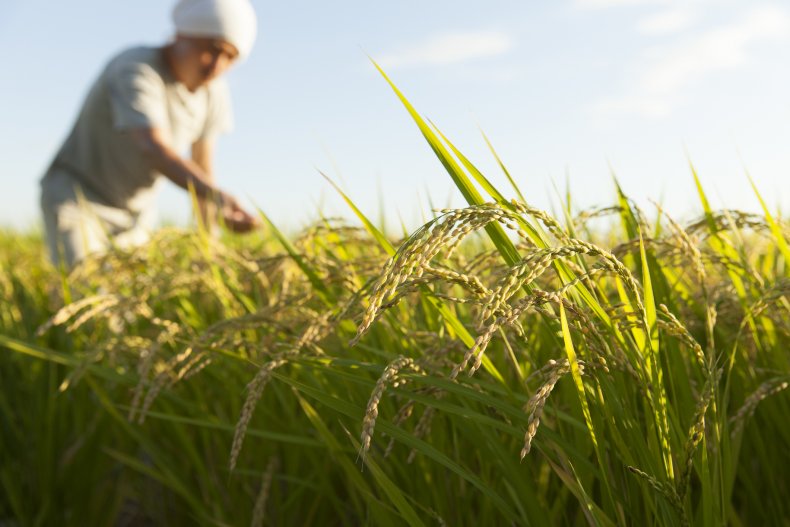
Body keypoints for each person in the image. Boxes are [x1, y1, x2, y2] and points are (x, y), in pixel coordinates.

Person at [40, 0, 261, 268]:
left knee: (133, 301)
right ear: (182, 35)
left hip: (136, 212)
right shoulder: (136, 68)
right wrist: (219, 196)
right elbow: (153, 147)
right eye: (212, 49)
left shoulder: (214, 92)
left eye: (230, 57)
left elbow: (203, 167)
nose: (217, 66)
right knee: (84, 291)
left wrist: (209, 245)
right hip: (79, 199)